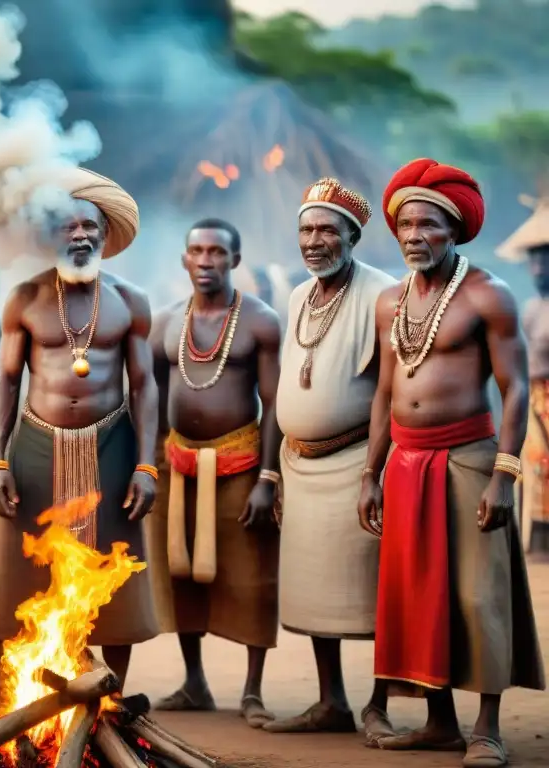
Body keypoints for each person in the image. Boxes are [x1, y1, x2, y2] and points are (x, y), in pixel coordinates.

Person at [359, 158, 545, 766]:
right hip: (406, 463)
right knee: (420, 596)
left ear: (455, 228)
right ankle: (440, 723)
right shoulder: (390, 301)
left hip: (469, 459)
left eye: (430, 224)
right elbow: (386, 392)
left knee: (477, 595)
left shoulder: (489, 294)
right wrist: (371, 473)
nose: (415, 235)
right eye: (406, 224)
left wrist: (505, 474)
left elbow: (514, 388)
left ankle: (487, 728)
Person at [0, 168, 159, 687]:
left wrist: (146, 465)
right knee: (15, 575)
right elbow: (5, 383)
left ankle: (108, 702)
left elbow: (144, 387)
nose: (79, 235)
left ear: (105, 234)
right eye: (67, 226)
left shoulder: (129, 301)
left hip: (112, 448)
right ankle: (12, 695)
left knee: (113, 578)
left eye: (89, 226)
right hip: (33, 448)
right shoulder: (25, 297)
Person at [265, 178, 398, 741]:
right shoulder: (298, 295)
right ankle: (330, 701)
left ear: (352, 236)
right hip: (299, 464)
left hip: (355, 464)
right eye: (306, 229)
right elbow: (288, 389)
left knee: (372, 593)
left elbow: (391, 392)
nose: (314, 240)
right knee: (314, 594)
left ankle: (378, 705)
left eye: (327, 230)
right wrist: (274, 468)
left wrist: (375, 471)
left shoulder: (384, 294)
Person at [146, 218, 282, 727]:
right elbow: (152, 400)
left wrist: (268, 480)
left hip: (243, 462)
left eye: (217, 253)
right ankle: (194, 680)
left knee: (251, 576)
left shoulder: (261, 321)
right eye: (197, 251)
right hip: (177, 462)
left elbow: (273, 404)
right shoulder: (163, 324)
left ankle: (252, 690)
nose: (206, 261)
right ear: (185, 260)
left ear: (235, 260)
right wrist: (152, 464)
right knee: (181, 575)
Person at [501, 199, 549, 556]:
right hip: (532, 399)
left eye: (544, 257)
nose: (537, 266)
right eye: (533, 258)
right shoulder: (531, 308)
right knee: (530, 470)